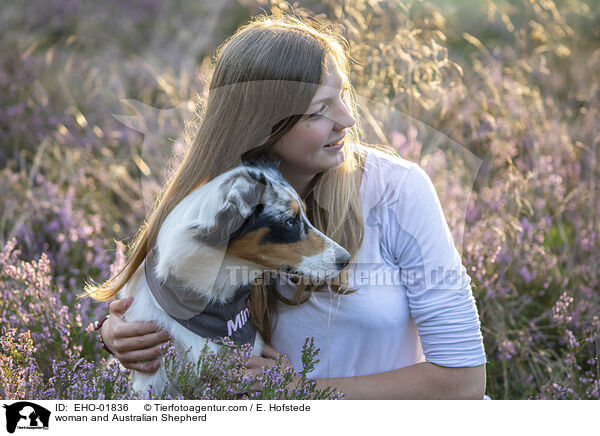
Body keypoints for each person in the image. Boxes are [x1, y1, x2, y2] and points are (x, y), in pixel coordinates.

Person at [86, 13, 487, 400]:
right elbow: (152, 299)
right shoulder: (216, 203)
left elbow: (464, 383)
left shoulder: (399, 190)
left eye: (343, 95)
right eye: (319, 111)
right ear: (261, 125)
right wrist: (115, 334)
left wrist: (302, 394)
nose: (347, 119)